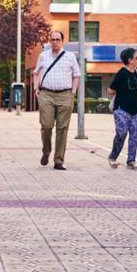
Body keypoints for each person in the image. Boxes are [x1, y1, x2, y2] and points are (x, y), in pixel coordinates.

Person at [32, 30, 80, 170]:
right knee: (46, 126)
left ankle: (58, 160)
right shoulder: (43, 56)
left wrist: (73, 93)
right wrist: (36, 88)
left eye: (57, 39)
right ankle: (46, 151)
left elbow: (77, 75)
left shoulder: (70, 56)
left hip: (65, 95)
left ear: (62, 41)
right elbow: (36, 73)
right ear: (49, 41)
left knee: (62, 128)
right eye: (52, 39)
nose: (54, 42)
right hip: (46, 94)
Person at [107, 48, 137, 169]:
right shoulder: (121, 73)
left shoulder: (136, 71)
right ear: (130, 60)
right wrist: (121, 90)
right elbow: (110, 90)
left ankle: (131, 160)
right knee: (121, 133)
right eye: (136, 57)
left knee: (135, 135)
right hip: (121, 108)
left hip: (136, 109)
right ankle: (113, 156)